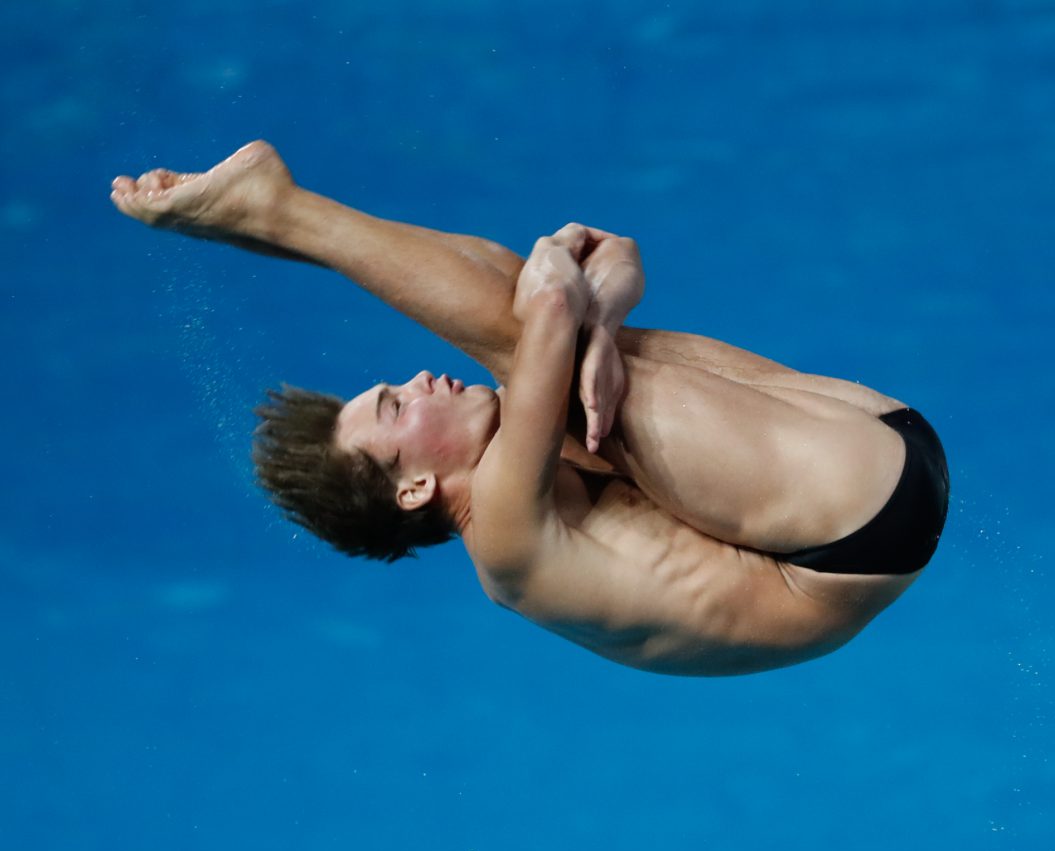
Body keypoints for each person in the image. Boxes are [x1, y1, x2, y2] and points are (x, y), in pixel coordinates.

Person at [110, 141, 948, 676]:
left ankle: (269, 219)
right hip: (855, 521)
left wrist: (597, 301)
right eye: (398, 407)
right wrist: (570, 280)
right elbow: (554, 296)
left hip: (870, 444)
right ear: (412, 492)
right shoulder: (506, 540)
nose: (420, 380)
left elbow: (611, 258)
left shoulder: (524, 438)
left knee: (555, 340)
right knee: (528, 337)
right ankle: (277, 212)